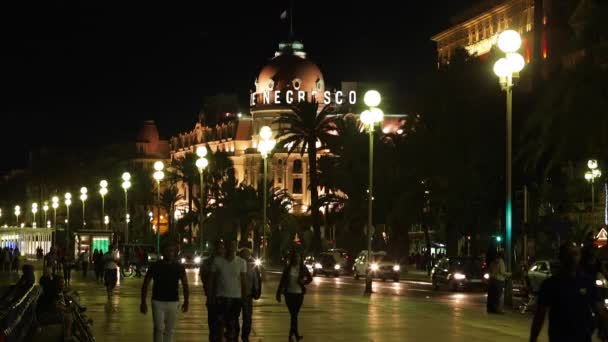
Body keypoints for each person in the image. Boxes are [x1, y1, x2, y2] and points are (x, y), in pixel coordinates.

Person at [530, 242, 608, 342]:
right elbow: (540, 314)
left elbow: (599, 309)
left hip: (582, 337)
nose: (572, 258)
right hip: (559, 337)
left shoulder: (587, 282)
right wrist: (533, 338)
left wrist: (603, 328)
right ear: (561, 257)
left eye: (575, 254)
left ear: (580, 257)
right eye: (569, 254)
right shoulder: (551, 284)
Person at [141, 242, 189, 342]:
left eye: (171, 251)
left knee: (169, 330)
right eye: (167, 251)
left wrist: (186, 301)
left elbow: (185, 285)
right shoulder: (155, 266)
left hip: (173, 302)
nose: (169, 253)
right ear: (163, 252)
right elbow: (145, 284)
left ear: (174, 253)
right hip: (158, 301)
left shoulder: (179, 267)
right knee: (159, 328)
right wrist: (143, 302)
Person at [209, 240, 247, 342]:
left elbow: (243, 282)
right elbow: (211, 280)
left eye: (234, 246)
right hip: (221, 297)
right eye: (229, 245)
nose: (232, 248)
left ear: (236, 248)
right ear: (226, 247)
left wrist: (244, 298)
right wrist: (210, 297)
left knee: (232, 324)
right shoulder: (217, 261)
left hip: (236, 298)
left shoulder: (242, 262)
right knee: (220, 324)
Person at [276, 250, 312, 341]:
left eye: (298, 257)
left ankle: (293, 334)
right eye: (295, 257)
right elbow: (282, 281)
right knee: (294, 314)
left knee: (294, 315)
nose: (297, 258)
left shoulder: (303, 268)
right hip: (289, 294)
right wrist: (278, 293)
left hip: (299, 294)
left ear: (301, 258)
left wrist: (303, 282)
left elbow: (310, 278)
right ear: (293, 258)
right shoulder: (288, 268)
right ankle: (294, 334)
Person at [36, 275, 73, 341]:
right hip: (43, 316)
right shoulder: (51, 292)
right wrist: (66, 309)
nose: (63, 284)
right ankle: (67, 338)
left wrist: (64, 308)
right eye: (61, 282)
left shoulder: (51, 290)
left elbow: (56, 304)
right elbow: (54, 306)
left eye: (63, 282)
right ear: (56, 283)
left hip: (44, 314)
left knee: (65, 314)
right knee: (68, 318)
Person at [202, 240, 225, 341]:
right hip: (213, 297)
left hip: (226, 296)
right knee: (213, 325)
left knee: (223, 324)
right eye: (218, 248)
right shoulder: (207, 262)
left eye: (222, 248)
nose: (220, 250)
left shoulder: (227, 261)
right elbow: (205, 279)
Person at [237, 248, 262, 342]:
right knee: (235, 315)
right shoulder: (237, 264)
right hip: (237, 295)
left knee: (247, 317)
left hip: (248, 295)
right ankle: (235, 333)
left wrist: (256, 291)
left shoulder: (252, 267)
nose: (247, 256)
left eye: (248, 254)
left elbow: (256, 280)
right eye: (244, 254)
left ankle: (245, 335)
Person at [487, 248, 510, 314]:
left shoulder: (493, 261)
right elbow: (502, 272)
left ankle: (490, 309)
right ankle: (497, 310)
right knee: (498, 296)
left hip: (492, 280)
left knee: (492, 295)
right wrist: (509, 274)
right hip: (499, 280)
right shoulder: (501, 261)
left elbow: (490, 269)